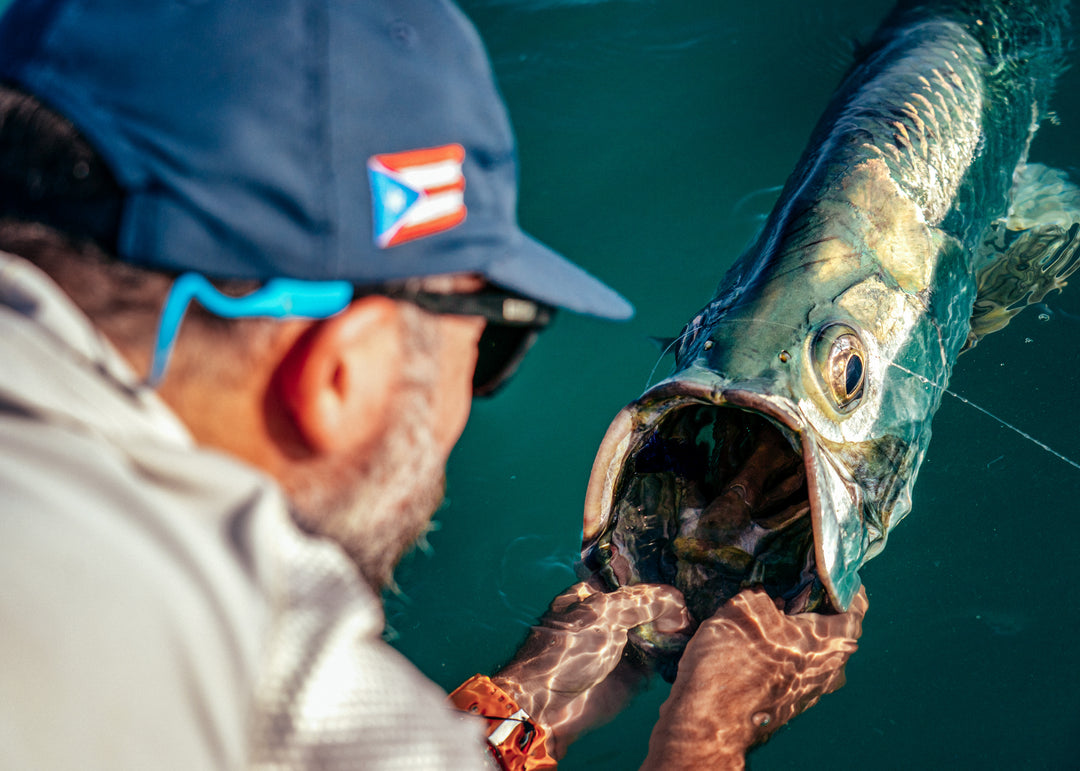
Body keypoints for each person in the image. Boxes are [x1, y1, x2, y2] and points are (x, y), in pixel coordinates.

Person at [0, 0, 867, 769]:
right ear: (340, 374)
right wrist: (705, 736)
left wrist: (520, 710)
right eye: (493, 343)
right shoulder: (261, 674)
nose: (474, 393)